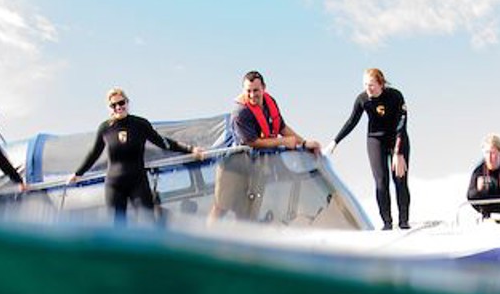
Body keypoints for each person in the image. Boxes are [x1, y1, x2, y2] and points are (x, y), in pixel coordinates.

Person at [68, 88, 207, 222]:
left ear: (127, 103)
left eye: (121, 103)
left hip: (138, 182)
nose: (118, 107)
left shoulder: (140, 124)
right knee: (118, 229)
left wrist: (190, 149)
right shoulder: (105, 128)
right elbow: (94, 153)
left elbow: (163, 142)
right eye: (113, 105)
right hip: (114, 185)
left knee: (147, 222)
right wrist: (78, 173)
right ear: (109, 108)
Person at [208, 70, 322, 223]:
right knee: (221, 206)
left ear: (264, 88)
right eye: (248, 91)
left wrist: (304, 143)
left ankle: (244, 242)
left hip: (256, 166)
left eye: (256, 90)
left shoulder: (270, 102)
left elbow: (281, 127)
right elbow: (251, 142)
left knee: (249, 210)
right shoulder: (240, 112)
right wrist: (283, 142)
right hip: (232, 166)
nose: (252, 95)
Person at [332, 67, 410, 230]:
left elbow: (402, 124)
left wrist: (398, 152)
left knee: (400, 180)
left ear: (381, 84)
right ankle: (387, 222)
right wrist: (335, 142)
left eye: (371, 85)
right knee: (381, 182)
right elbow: (351, 122)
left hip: (397, 139)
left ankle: (403, 220)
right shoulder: (363, 99)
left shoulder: (395, 96)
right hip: (375, 140)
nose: (368, 89)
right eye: (365, 85)